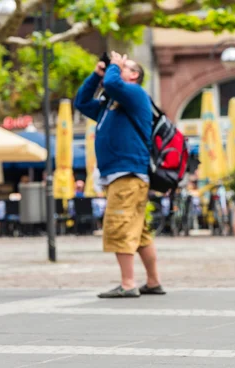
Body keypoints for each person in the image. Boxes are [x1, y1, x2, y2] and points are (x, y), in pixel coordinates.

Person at [74, 51, 165, 298]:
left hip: (127, 175)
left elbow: (113, 83)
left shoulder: (135, 94)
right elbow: (81, 102)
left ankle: (127, 283)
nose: (117, 68)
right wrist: (96, 75)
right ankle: (153, 281)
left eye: (125, 66)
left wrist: (113, 66)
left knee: (119, 226)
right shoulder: (110, 104)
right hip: (121, 175)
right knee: (140, 232)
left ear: (134, 75)